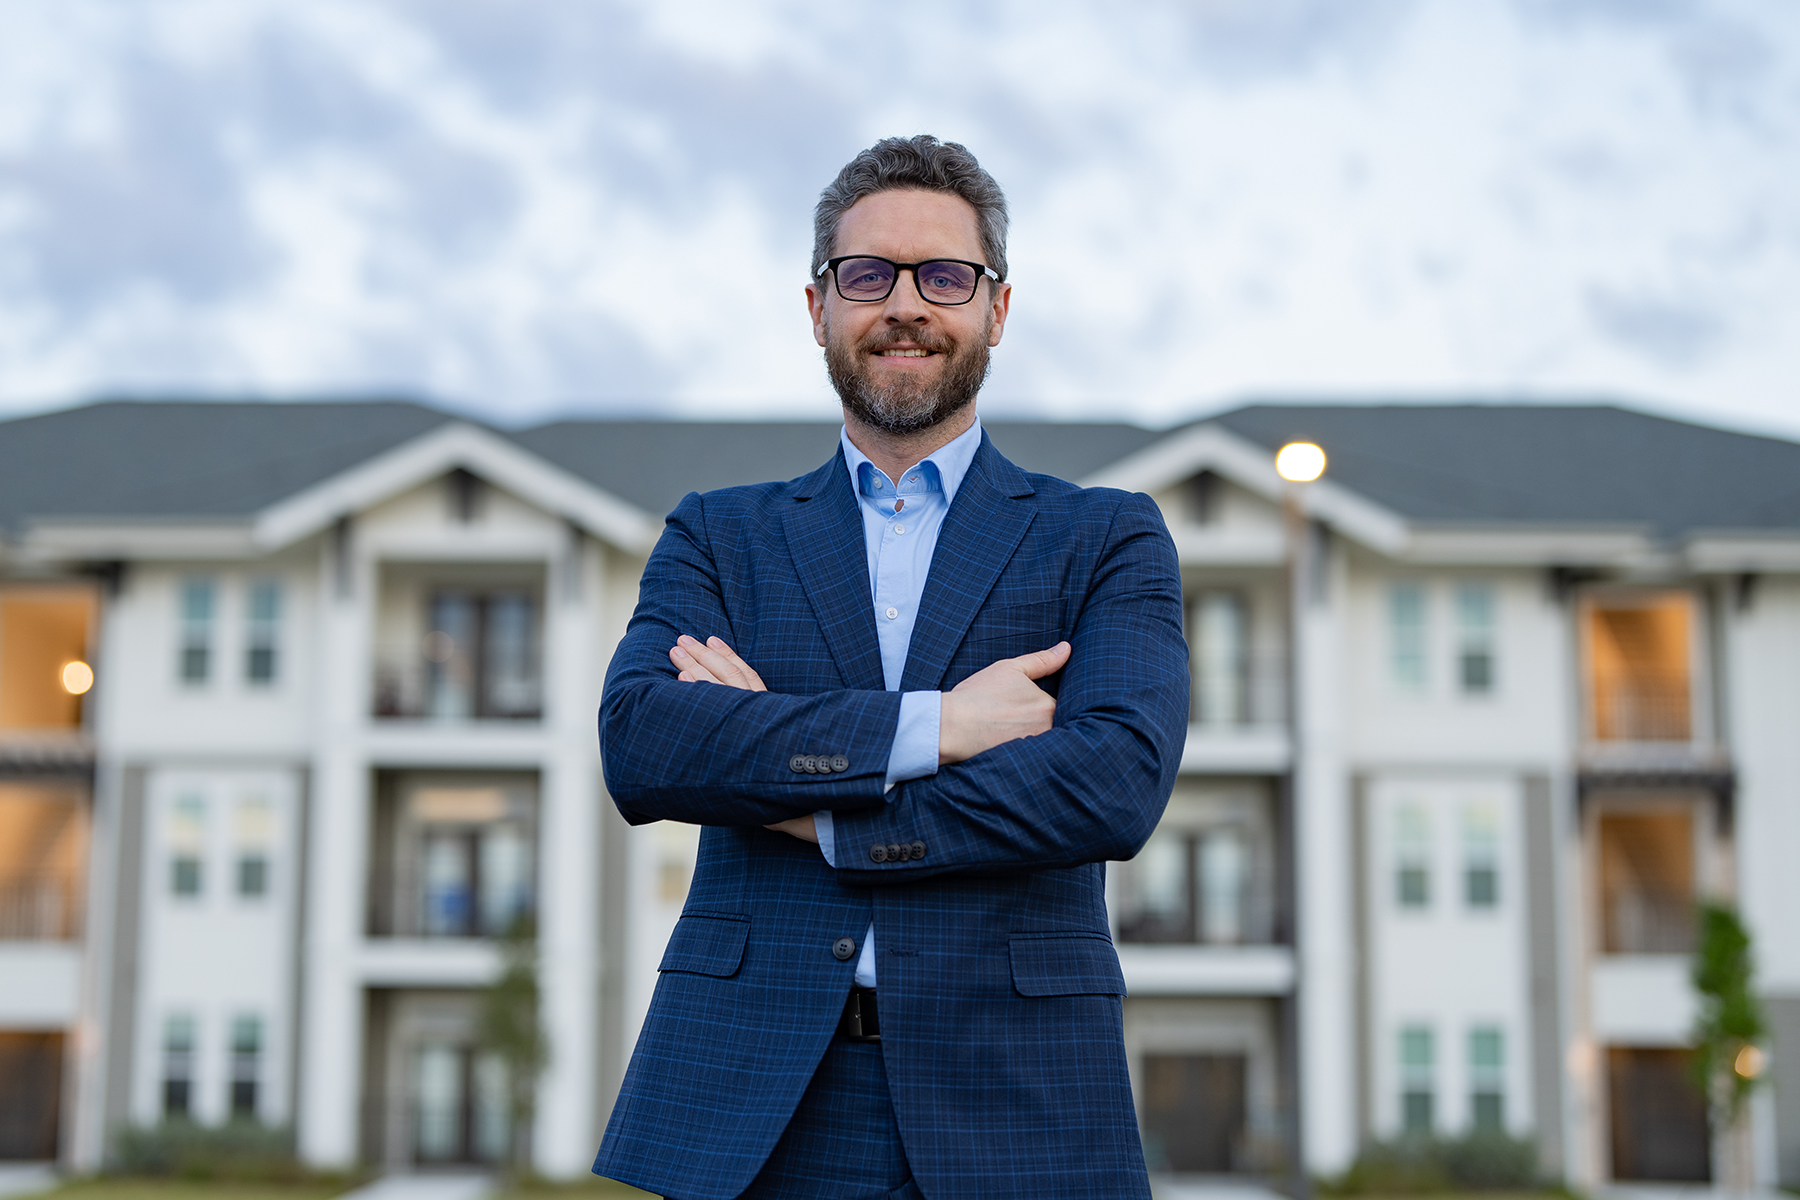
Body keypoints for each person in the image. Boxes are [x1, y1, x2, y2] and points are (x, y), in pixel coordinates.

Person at [592, 134, 1188, 1200]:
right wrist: (935, 728)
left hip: (1020, 1097)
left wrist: (797, 797)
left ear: (995, 310)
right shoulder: (719, 535)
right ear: (818, 306)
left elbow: (1110, 785)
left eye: (944, 276)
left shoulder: (1106, 538)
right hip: (756, 1101)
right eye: (867, 275)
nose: (904, 303)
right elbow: (643, 743)